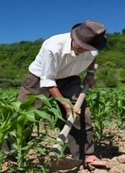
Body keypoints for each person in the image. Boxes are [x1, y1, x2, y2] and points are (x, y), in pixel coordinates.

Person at [17, 19, 107, 168]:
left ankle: (86, 155)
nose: (84, 50)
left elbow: (92, 57)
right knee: (24, 115)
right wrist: (65, 104)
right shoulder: (53, 47)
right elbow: (48, 81)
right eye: (82, 46)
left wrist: (90, 73)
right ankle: (10, 154)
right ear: (74, 37)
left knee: (81, 113)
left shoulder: (93, 46)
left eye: (88, 48)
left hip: (69, 77)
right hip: (40, 79)